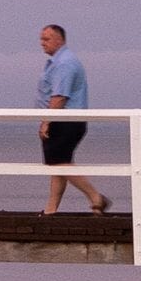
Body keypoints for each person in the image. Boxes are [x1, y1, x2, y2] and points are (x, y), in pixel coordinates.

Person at [35, 24, 111, 214]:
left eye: (47, 39)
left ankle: (95, 197)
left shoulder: (65, 63)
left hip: (65, 121)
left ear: (60, 40)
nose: (42, 43)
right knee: (58, 164)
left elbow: (60, 96)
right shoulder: (57, 62)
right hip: (63, 120)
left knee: (59, 163)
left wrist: (46, 121)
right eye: (41, 39)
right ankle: (51, 210)